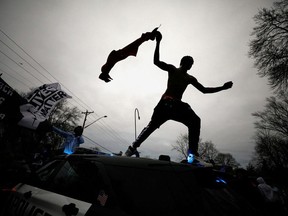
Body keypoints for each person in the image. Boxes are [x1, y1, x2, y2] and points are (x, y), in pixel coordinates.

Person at [125, 31, 233, 162]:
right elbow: (156, 62)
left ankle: (192, 155)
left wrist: (222, 87)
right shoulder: (172, 69)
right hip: (166, 103)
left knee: (195, 121)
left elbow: (204, 90)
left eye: (192, 63)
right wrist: (158, 42)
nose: (191, 65)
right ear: (183, 62)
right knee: (151, 126)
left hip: (174, 106)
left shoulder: (190, 78)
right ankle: (131, 149)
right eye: (190, 62)